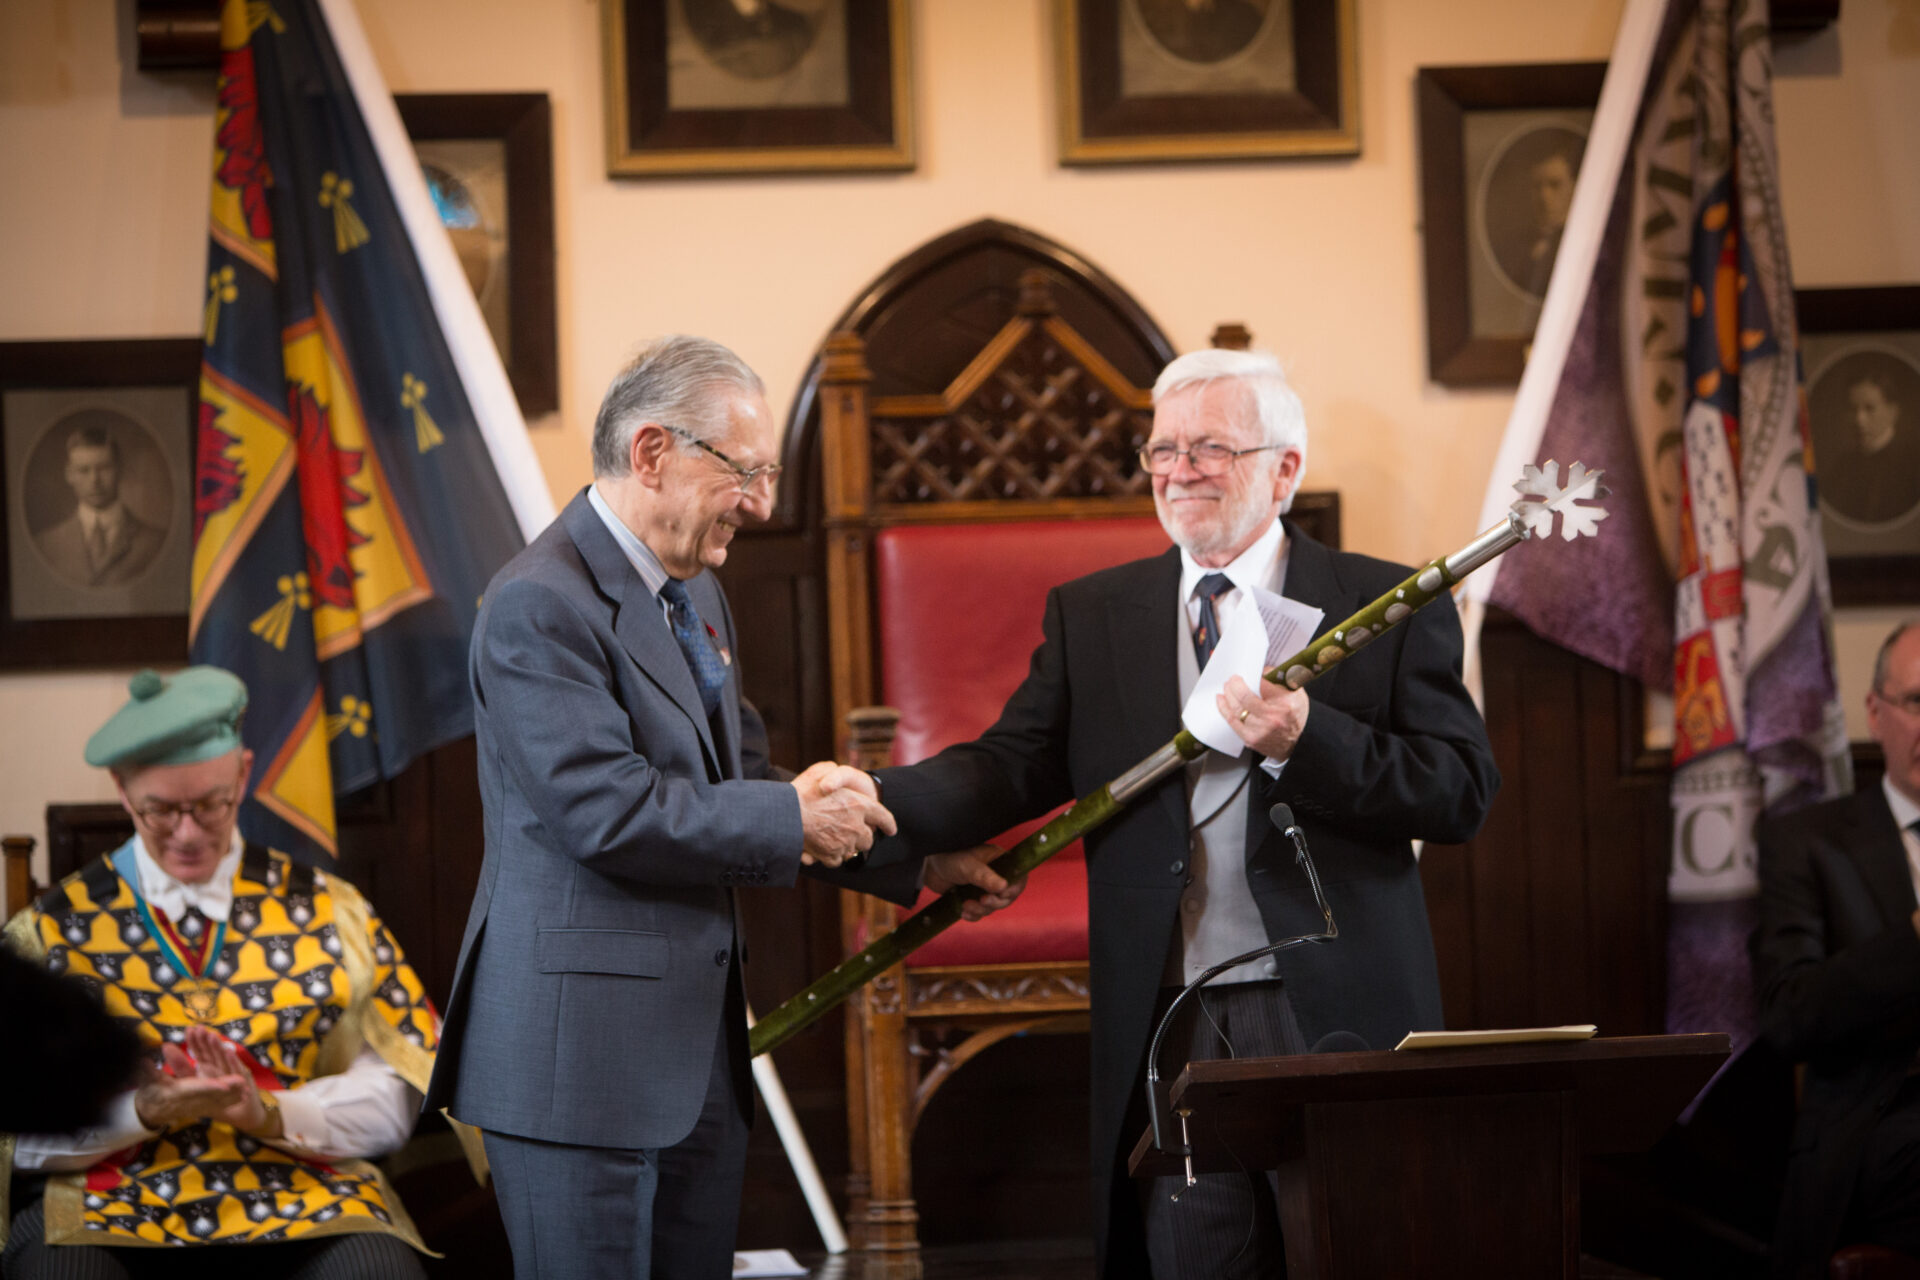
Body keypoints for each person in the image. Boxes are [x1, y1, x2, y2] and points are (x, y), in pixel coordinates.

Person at [867, 348, 1501, 1279]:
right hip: (1170, 1008)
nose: (1178, 470)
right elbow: (1009, 768)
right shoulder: (1095, 615)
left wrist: (1309, 739)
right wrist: (871, 809)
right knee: (1194, 1258)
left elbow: (1460, 793)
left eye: (1210, 447)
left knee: (1358, 1250)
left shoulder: (1386, 601)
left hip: (1334, 999)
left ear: (1286, 468)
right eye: (1161, 449)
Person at [422, 335, 1015, 1279]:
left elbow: (741, 784)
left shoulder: (694, 594)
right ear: (652, 452)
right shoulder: (537, 604)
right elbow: (605, 813)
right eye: (744, 471)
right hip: (579, 1071)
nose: (765, 504)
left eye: (768, 473)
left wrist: (912, 862)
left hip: (692, 1064)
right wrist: (797, 817)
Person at [2, 666, 446, 1278]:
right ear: (122, 791)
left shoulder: (328, 909)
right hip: (108, 1200)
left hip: (303, 1191)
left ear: (243, 772)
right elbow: (16, 1134)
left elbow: (393, 1094)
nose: (188, 834)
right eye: (160, 811)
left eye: (212, 805)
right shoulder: (49, 930)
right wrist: (142, 1112)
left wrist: (267, 1113)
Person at [1753, 620, 1920, 1277]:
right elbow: (1789, 1015)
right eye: (1918, 702)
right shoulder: (1808, 843)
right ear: (1876, 713)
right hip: (1885, 1128)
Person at [32, 420, 167, 589]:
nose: (94, 480)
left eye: (104, 468)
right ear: (69, 475)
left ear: (120, 470)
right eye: (83, 470)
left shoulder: (156, 542)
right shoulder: (46, 545)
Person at [1817, 370, 1920, 525]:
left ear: (1893, 412)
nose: (1859, 420)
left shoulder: (1912, 465)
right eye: (1853, 408)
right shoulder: (1841, 467)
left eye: (1870, 408)